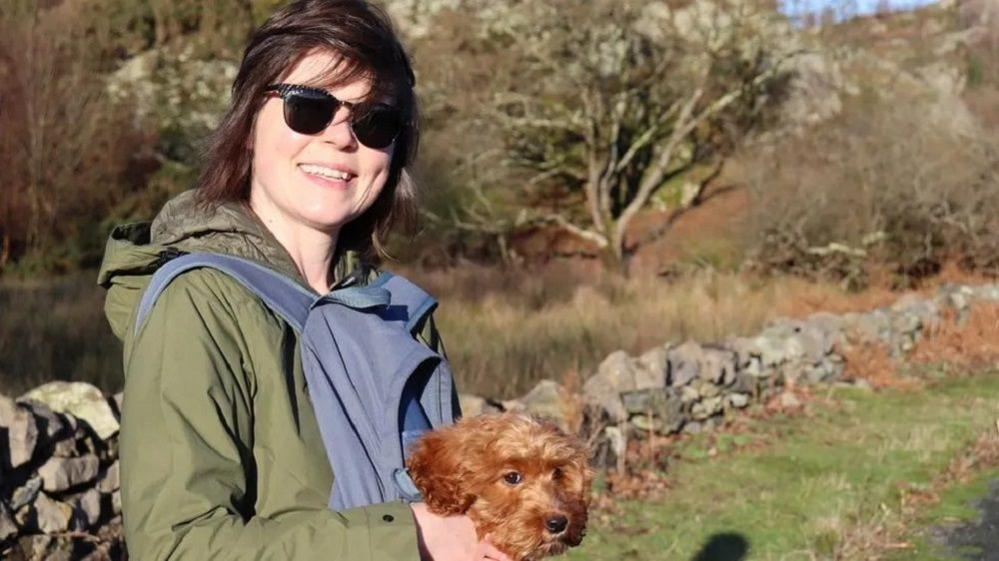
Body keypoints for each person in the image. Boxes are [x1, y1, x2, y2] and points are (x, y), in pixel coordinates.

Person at [97, 1, 512, 559]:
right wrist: (407, 536)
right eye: (309, 107)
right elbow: (176, 547)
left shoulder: (398, 314)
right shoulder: (198, 303)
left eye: (374, 121)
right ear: (247, 124)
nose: (342, 138)